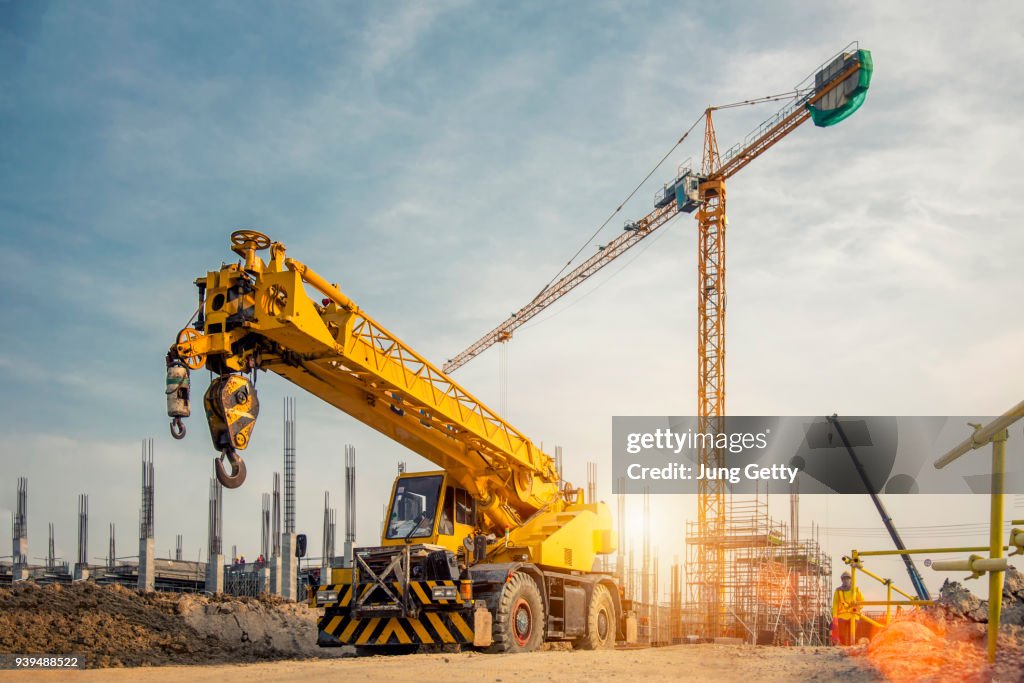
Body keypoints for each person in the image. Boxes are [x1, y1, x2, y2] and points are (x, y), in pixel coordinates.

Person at [831, 571, 863, 646]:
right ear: (842, 580)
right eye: (844, 579)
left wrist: (857, 609)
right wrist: (834, 617)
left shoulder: (856, 589)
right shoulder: (838, 591)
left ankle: (852, 647)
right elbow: (835, 604)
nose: (845, 580)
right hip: (842, 616)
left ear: (851, 580)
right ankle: (844, 647)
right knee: (842, 634)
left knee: (853, 634)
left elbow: (861, 601)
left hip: (854, 615)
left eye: (847, 578)